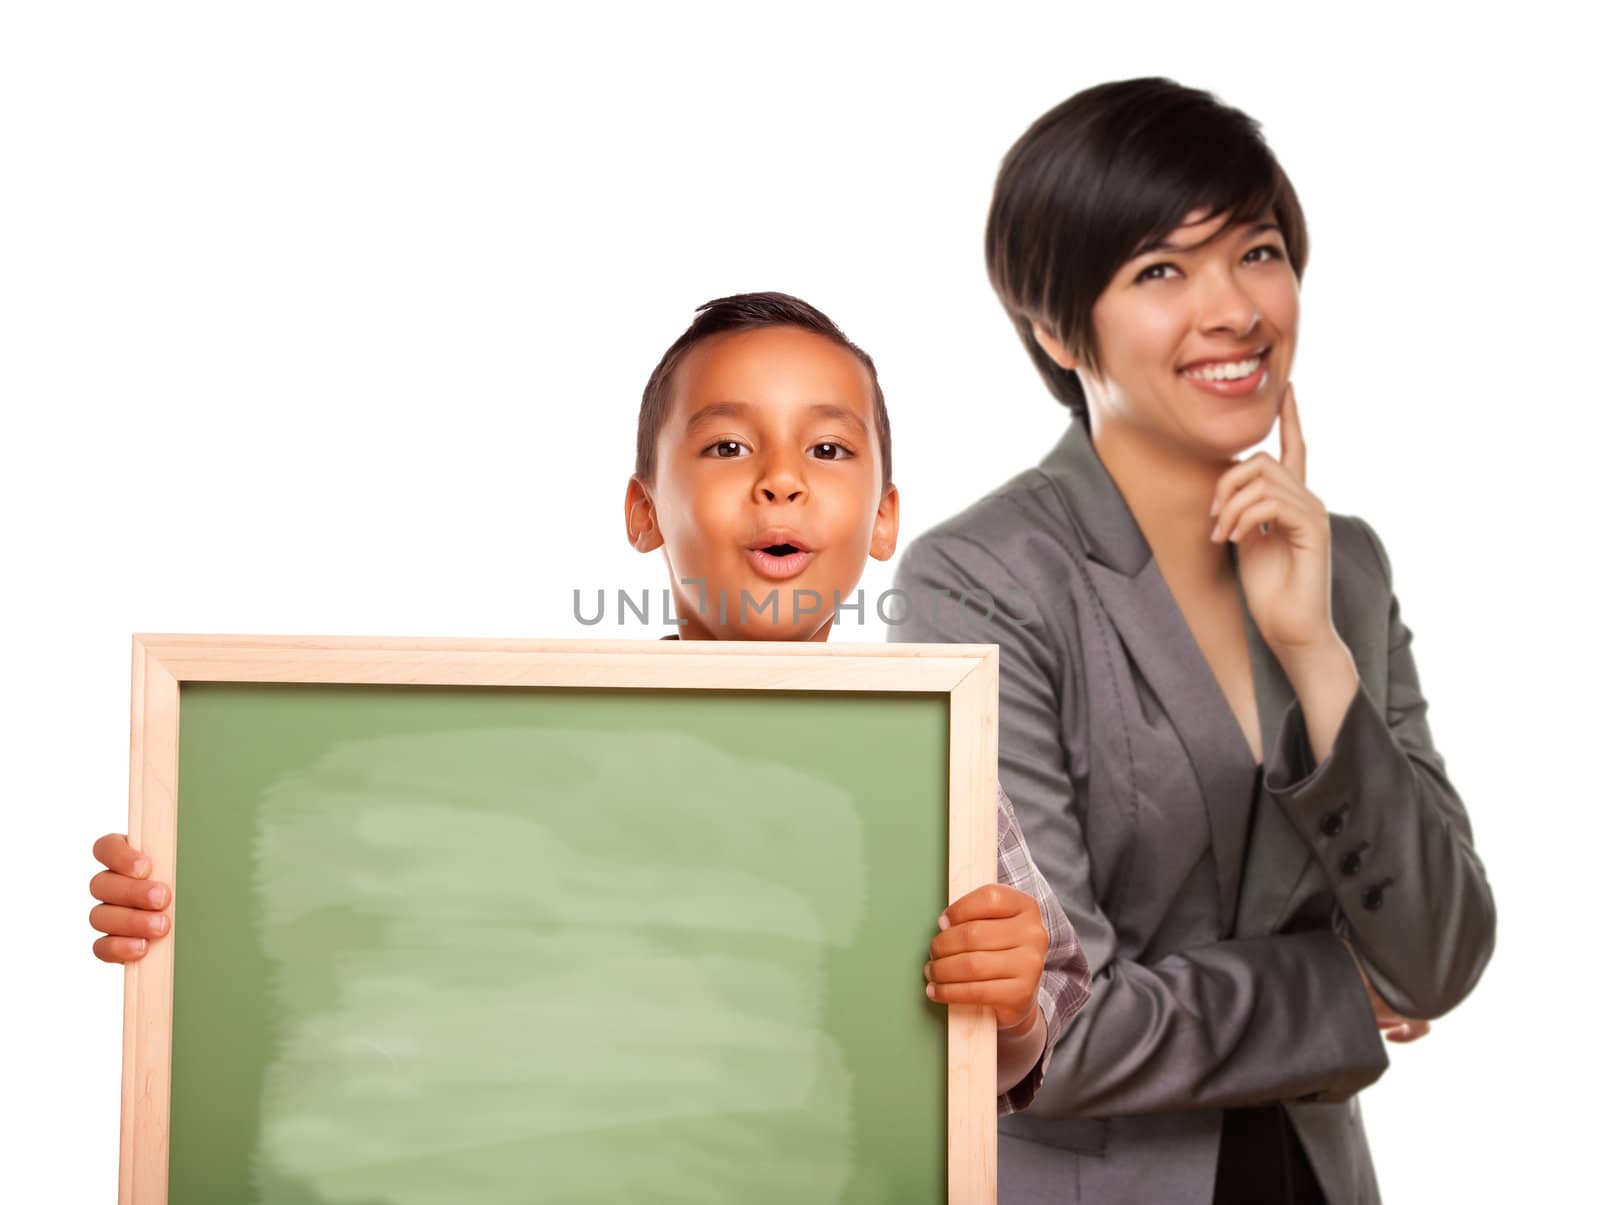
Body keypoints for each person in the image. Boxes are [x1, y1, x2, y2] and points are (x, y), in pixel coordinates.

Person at [89, 291, 1092, 1113]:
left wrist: (1010, 1013)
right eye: (728, 448)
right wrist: (184, 913)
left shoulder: (937, 763)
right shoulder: (539, 748)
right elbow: (371, 928)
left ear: (883, 520)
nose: (781, 481)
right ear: (643, 509)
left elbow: (1015, 1056)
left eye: (826, 451)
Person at [890, 79, 1495, 1203]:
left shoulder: (1343, 565)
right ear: (1054, 325)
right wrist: (1330, 992)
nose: (1234, 310)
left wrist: (1314, 650)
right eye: (1160, 270)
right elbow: (1048, 1031)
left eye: (1257, 252)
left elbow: (1440, 952)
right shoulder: (981, 578)